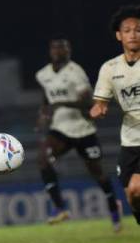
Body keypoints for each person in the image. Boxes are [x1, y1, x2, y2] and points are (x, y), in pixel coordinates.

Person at [35, 37, 122, 231]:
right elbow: (46, 97)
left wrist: (62, 103)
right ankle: (59, 208)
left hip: (83, 129)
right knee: (42, 158)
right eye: (55, 47)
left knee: (97, 173)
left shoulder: (76, 73)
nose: (59, 51)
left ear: (69, 51)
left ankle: (114, 209)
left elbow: (89, 103)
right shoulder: (43, 74)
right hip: (60, 129)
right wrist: (42, 114)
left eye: (63, 48)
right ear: (50, 51)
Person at [91, 5, 140, 226]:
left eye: (138, 29)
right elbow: (100, 102)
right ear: (119, 35)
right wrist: (98, 109)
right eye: (128, 30)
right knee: (133, 194)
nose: (133, 34)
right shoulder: (110, 68)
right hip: (130, 140)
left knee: (137, 187)